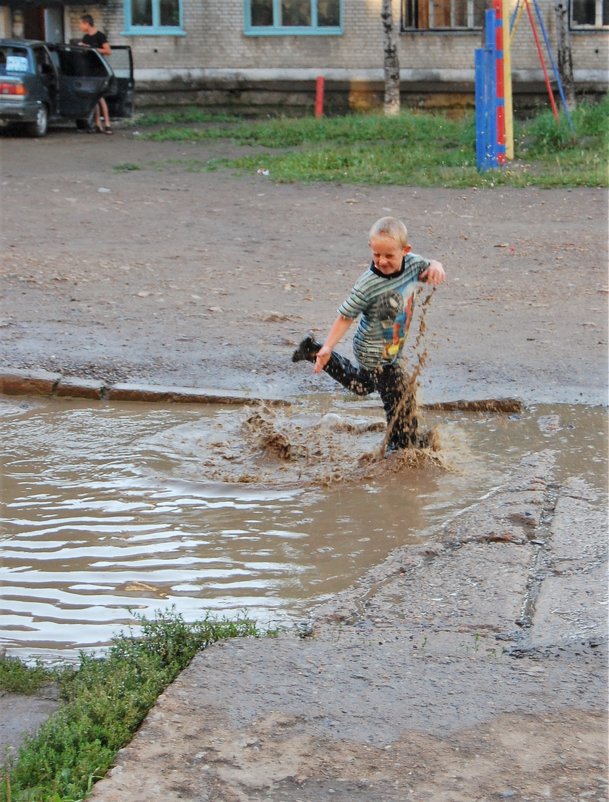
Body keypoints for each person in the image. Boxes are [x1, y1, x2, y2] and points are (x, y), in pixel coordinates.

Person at [292, 216, 446, 452]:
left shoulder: (413, 264)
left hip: (391, 347)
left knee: (363, 386)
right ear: (371, 249)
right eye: (376, 255)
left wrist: (436, 266)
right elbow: (345, 317)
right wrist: (329, 346)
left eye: (389, 256)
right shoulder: (368, 284)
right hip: (372, 349)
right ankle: (402, 447)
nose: (382, 261)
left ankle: (312, 350)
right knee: (399, 394)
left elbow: (428, 268)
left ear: (405, 251)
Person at [78, 14, 113, 134]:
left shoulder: (100, 36)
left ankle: (107, 124)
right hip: (89, 70)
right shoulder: (85, 37)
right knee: (94, 97)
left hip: (99, 70)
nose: (80, 26)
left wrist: (93, 49)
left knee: (100, 96)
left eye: (81, 23)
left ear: (87, 24)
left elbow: (108, 51)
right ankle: (98, 124)